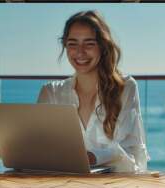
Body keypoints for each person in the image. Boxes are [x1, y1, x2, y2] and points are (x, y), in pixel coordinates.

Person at [37, 10, 149, 173]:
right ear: (65, 46)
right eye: (72, 44)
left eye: (89, 43)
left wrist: (93, 156)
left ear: (102, 47)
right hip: (62, 185)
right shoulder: (51, 92)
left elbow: (132, 154)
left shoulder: (125, 87)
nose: (80, 52)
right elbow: (39, 148)